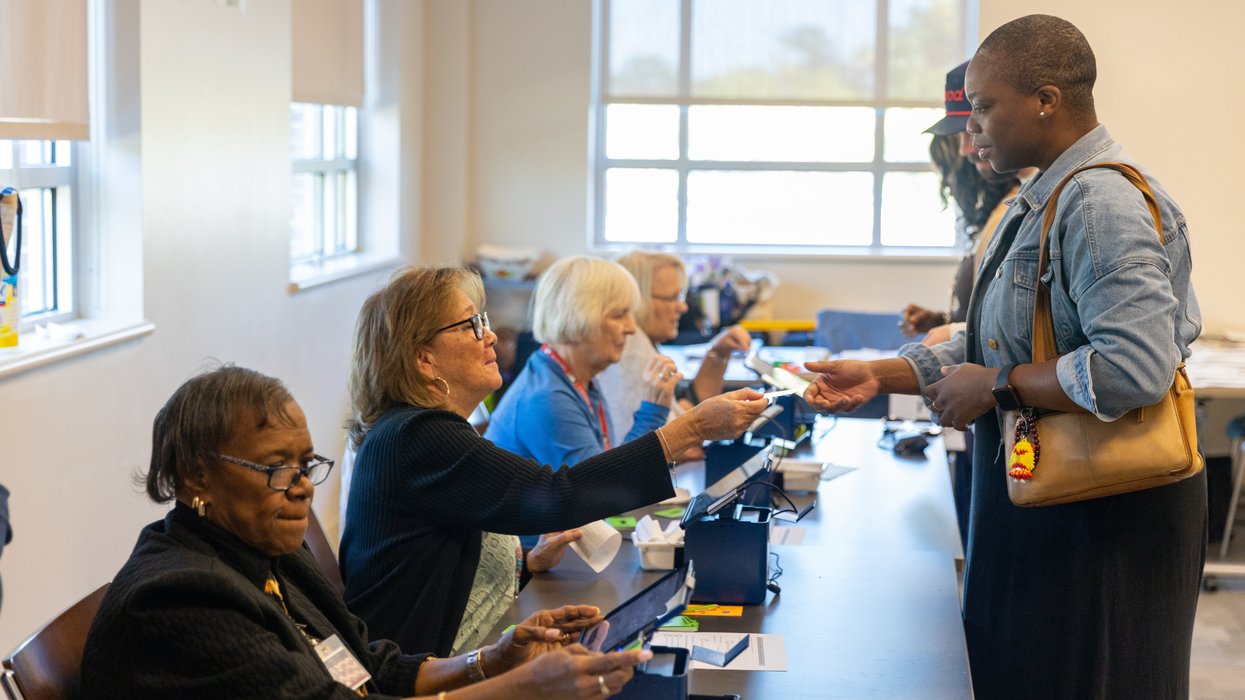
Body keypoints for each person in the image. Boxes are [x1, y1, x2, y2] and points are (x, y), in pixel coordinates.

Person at [803, 15, 1204, 699]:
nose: (972, 128)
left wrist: (997, 386)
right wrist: (882, 373)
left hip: (1104, 514)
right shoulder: (1040, 197)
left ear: (1045, 99)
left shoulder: (1096, 201)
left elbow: (1130, 368)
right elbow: (998, 336)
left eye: (984, 107)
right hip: (1047, 493)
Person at [80, 365, 649, 699]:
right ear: (194, 476)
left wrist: (493, 660)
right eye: (277, 468)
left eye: (307, 465)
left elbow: (367, 666)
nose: (302, 487)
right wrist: (523, 688)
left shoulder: (269, 554)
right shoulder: (181, 598)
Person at [341, 265, 766, 659]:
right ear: (423, 359)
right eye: (471, 325)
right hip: (417, 672)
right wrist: (689, 428)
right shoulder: (417, 435)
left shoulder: (420, 431)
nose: (489, 336)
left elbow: (437, 564)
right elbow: (556, 494)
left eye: (483, 321)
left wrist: (526, 564)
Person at [485, 256, 684, 468]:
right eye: (619, 315)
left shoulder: (573, 378)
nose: (631, 328)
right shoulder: (549, 398)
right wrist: (653, 411)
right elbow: (605, 491)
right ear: (577, 319)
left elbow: (607, 468)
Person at [901, 60, 1023, 345]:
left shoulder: (1021, 207)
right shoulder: (996, 212)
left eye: (971, 132)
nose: (966, 149)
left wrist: (951, 331)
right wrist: (944, 321)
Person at [596, 251, 753, 444]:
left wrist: (718, 352)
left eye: (681, 295)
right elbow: (672, 440)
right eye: (672, 298)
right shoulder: (631, 349)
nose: (683, 307)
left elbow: (686, 410)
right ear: (639, 300)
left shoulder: (644, 345)